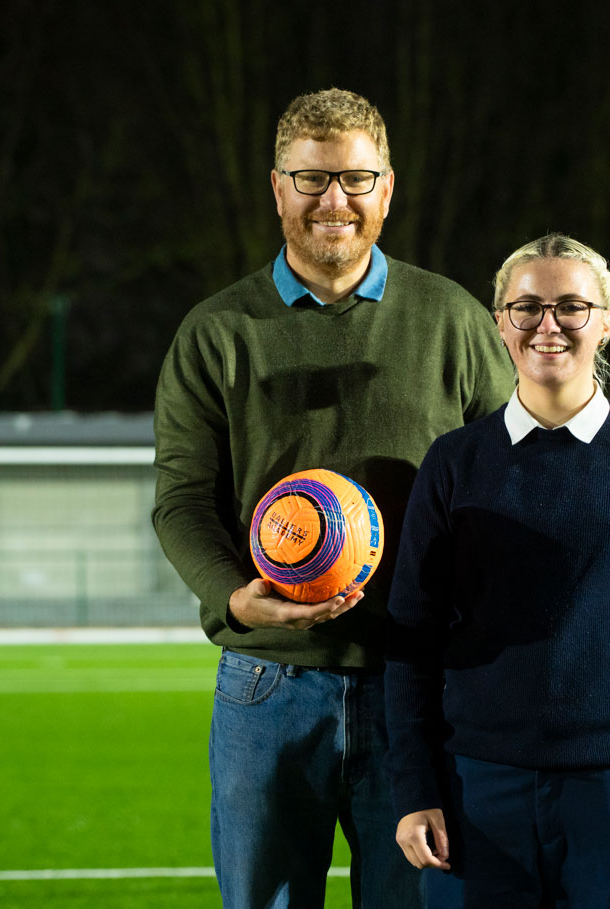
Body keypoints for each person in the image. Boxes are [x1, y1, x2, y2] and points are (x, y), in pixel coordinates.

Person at [151, 88, 513, 909]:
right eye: (310, 180)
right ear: (277, 188)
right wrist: (233, 595)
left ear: (387, 188)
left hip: (418, 684)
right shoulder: (216, 332)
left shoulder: (452, 320)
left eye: (355, 179)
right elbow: (179, 500)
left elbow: (509, 486)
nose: (333, 202)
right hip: (266, 686)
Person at [384, 233, 610, 907]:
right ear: (499, 322)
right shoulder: (453, 462)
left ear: (605, 322)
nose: (548, 325)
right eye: (526, 307)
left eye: (571, 306)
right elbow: (412, 636)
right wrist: (417, 789)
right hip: (475, 793)